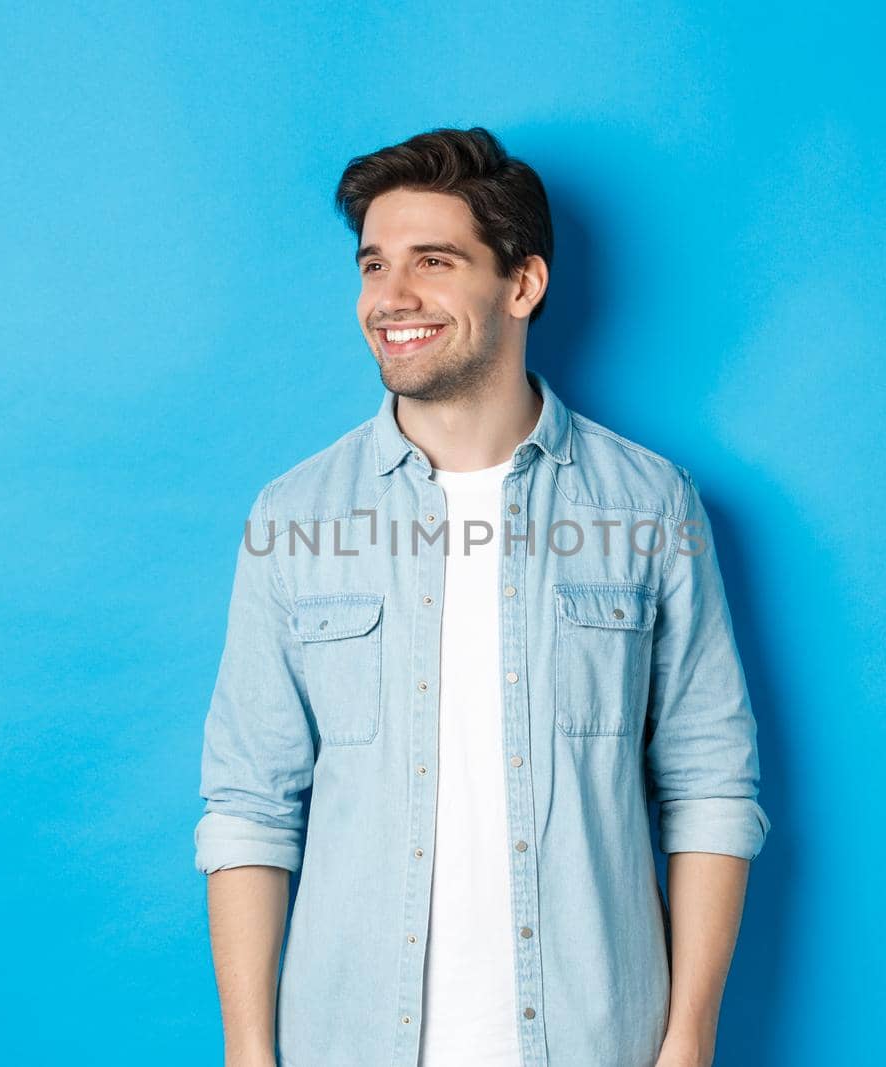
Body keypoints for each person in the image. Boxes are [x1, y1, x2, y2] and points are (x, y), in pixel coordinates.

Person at [194, 126, 769, 1067]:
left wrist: (688, 1038)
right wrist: (250, 1054)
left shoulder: (649, 504)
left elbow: (710, 783)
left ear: (522, 284)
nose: (391, 299)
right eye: (374, 264)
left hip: (594, 1039)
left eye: (433, 261)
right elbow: (250, 804)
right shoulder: (293, 516)